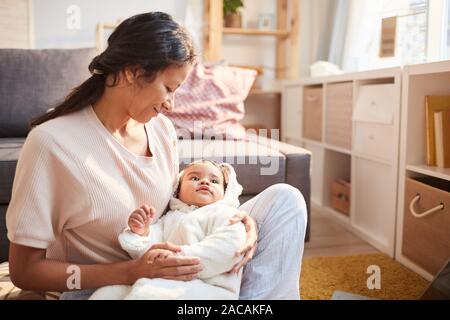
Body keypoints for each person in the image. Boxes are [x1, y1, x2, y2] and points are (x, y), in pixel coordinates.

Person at [6, 11, 307, 300]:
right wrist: (130, 272)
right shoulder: (51, 143)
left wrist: (237, 219)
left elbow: (175, 213)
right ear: (133, 72)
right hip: (105, 289)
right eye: (168, 88)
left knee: (285, 200)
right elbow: (26, 272)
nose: (171, 105)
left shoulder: (161, 130)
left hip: (174, 273)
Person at [90, 160, 246, 300]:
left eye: (214, 181)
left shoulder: (225, 214)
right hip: (164, 279)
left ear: (225, 193)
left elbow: (230, 246)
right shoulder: (170, 219)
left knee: (146, 295)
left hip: (210, 287)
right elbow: (148, 252)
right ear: (177, 190)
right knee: (106, 294)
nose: (205, 182)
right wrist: (142, 232)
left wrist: (176, 259)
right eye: (195, 178)